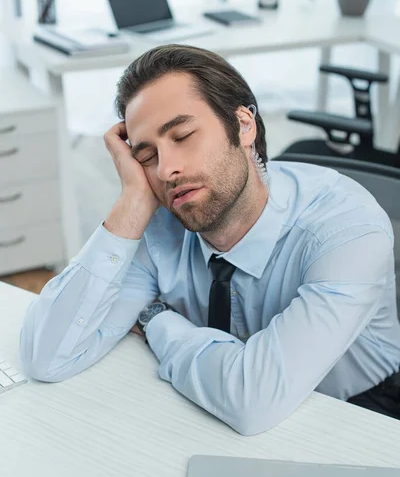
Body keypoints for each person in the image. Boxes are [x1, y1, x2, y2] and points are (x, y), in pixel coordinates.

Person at [20, 44, 400, 435]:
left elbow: (251, 401)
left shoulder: (347, 229)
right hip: (207, 412)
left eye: (182, 136)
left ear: (243, 124)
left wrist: (157, 321)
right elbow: (46, 357)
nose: (167, 170)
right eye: (147, 157)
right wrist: (132, 201)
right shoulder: (161, 222)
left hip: (357, 417)